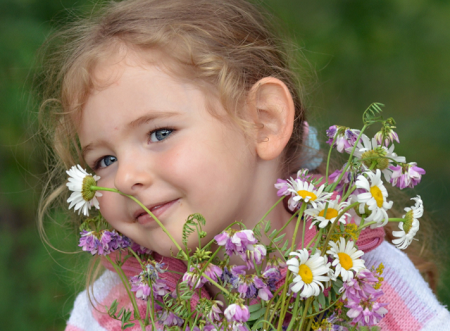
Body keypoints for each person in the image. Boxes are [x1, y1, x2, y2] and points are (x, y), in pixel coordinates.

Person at [36, 0, 450, 330]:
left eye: (159, 133)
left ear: (263, 121)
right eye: (104, 160)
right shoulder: (124, 301)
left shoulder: (364, 283)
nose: (125, 178)